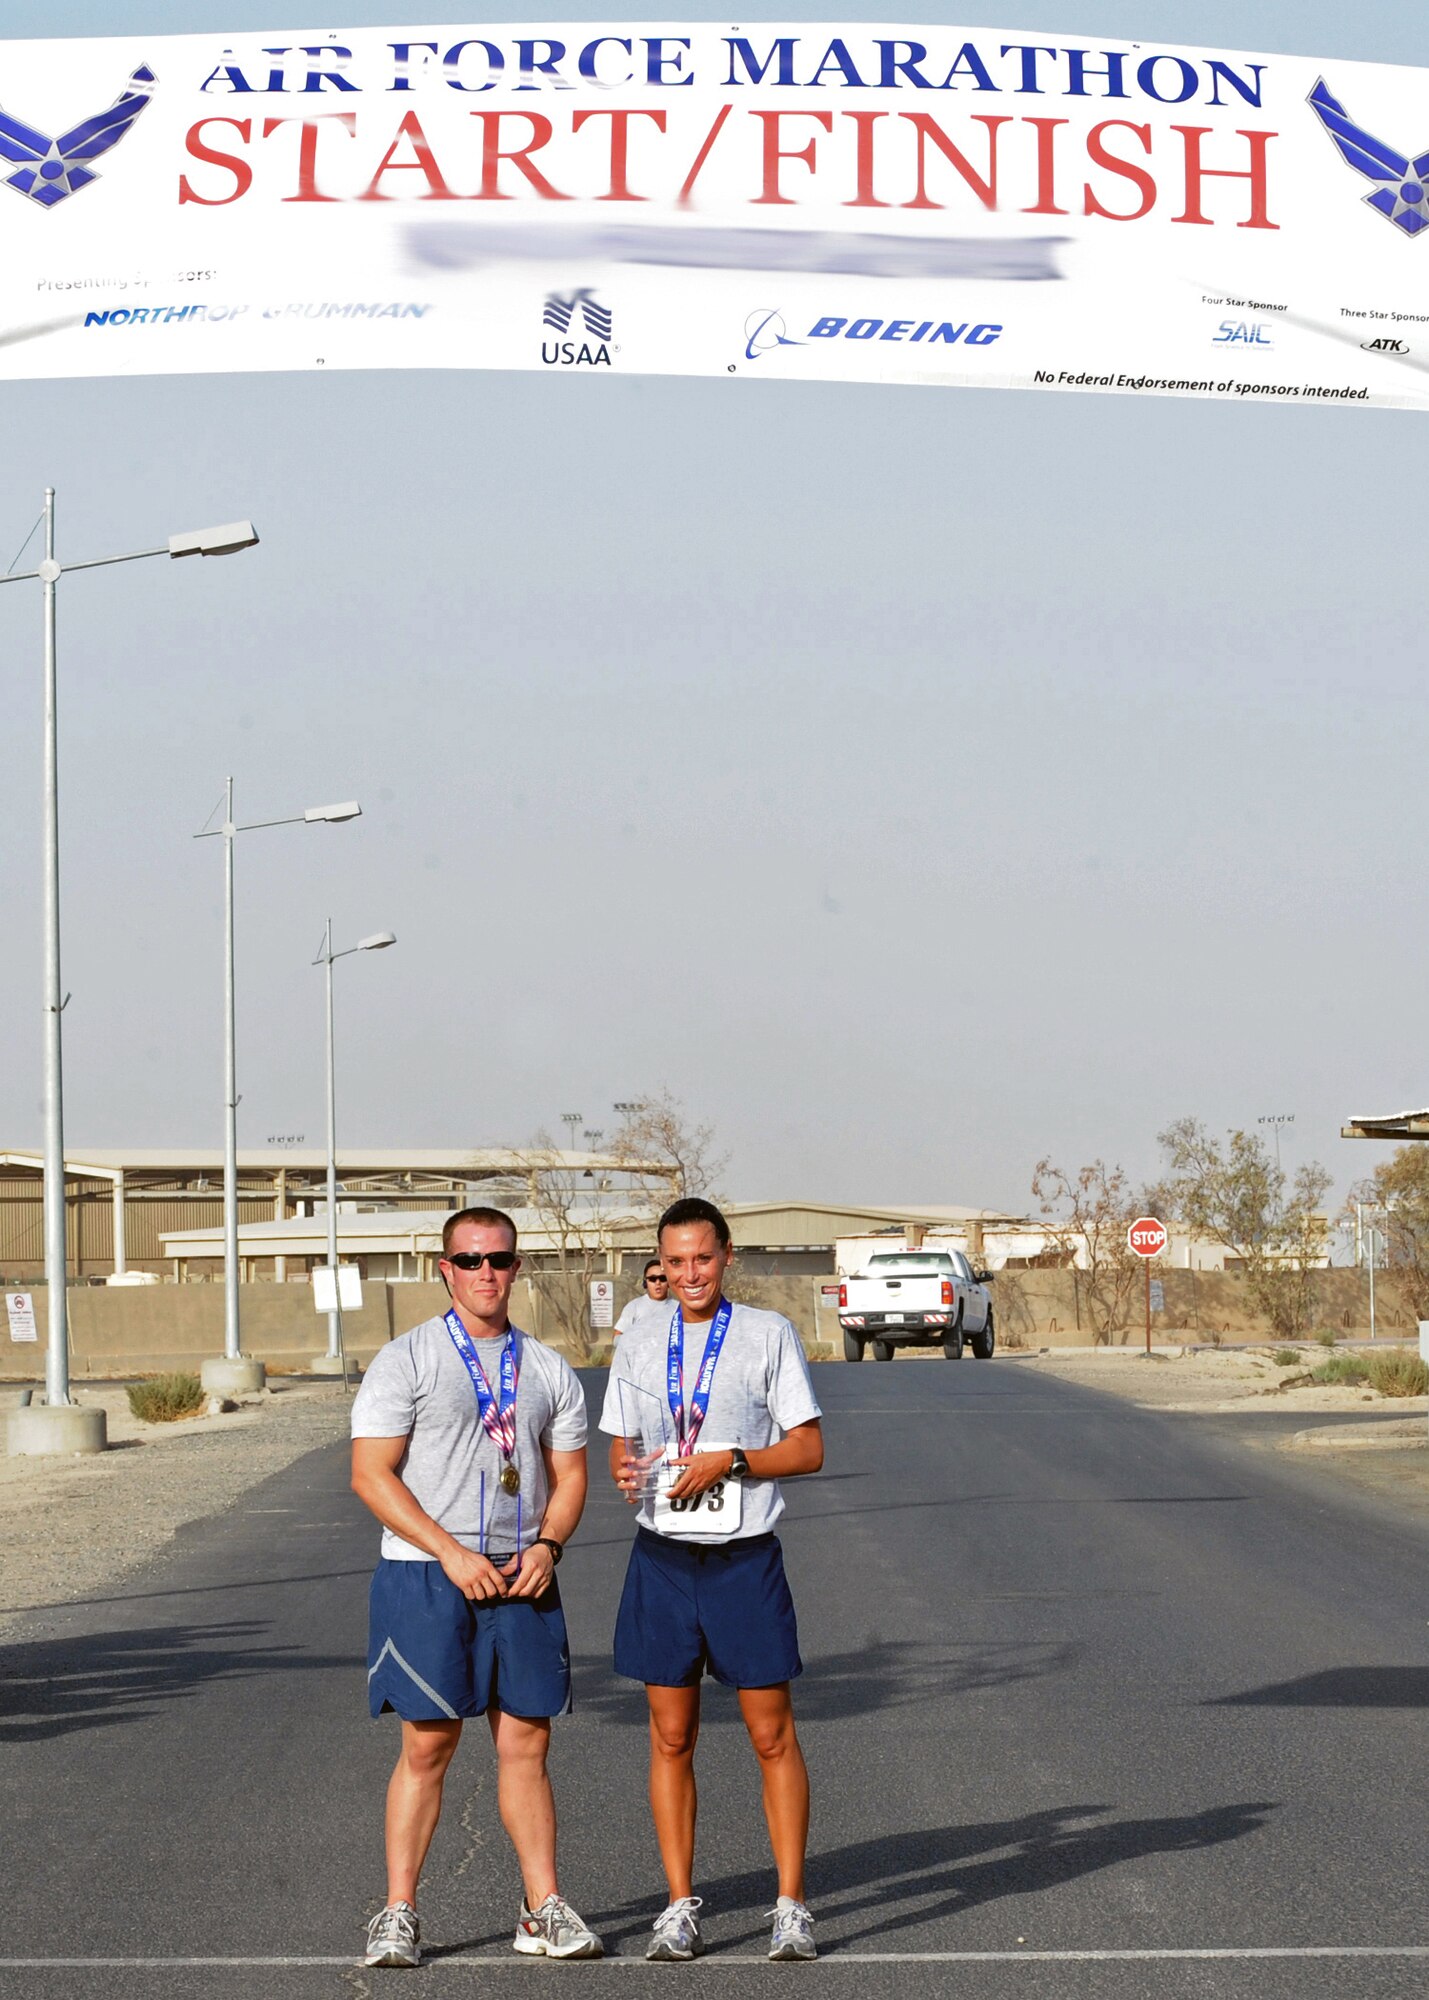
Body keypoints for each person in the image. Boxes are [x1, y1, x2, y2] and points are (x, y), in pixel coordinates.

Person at [351, 1205, 601, 1968]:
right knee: (428, 1746)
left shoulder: (548, 1367)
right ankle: (397, 1912)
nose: (485, 1272)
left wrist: (551, 1545)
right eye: (469, 1260)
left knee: (525, 1744)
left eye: (497, 1259)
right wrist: (450, 1551)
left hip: (521, 1576)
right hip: (428, 1575)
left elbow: (571, 1475)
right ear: (445, 1270)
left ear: (516, 1267)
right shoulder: (408, 1359)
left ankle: (541, 1907)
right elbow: (370, 1474)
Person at [601, 1196, 824, 1963]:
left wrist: (729, 1460)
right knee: (670, 1735)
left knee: (770, 1734)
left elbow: (806, 1449)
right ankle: (677, 1905)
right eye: (675, 1261)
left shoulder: (766, 1334)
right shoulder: (639, 1338)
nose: (689, 1273)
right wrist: (628, 1474)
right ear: (658, 1264)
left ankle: (790, 1906)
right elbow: (621, 1447)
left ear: (727, 1255)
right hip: (662, 1559)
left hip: (742, 1558)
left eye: (703, 1258)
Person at [614, 1256, 671, 1337]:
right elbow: (617, 1337)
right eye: (653, 1279)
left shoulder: (678, 1308)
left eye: (662, 1278)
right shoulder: (634, 1307)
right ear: (645, 1282)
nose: (658, 1283)